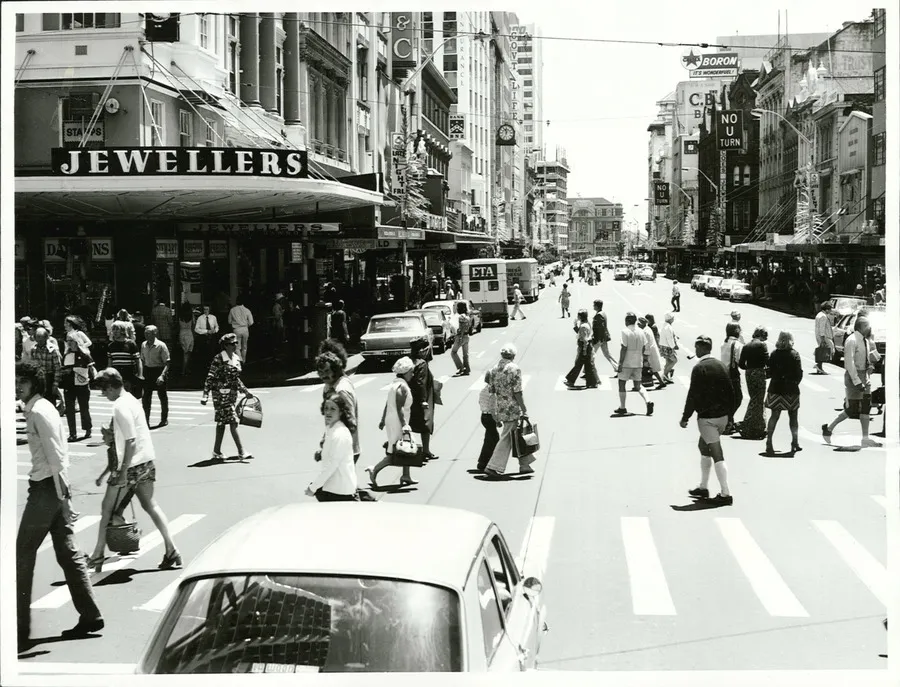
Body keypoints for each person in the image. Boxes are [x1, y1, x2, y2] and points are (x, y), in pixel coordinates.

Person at [16, 362, 104, 652]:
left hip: (46, 491)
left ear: (35, 383)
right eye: (15, 381)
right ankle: (90, 615)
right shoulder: (38, 408)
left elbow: (56, 459)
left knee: (22, 553)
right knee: (68, 554)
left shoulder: (40, 411)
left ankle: (19, 627)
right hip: (50, 490)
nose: (18, 386)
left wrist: (64, 500)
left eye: (23, 381)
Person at [89, 368, 182, 572]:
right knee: (150, 505)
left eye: (104, 390)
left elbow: (130, 441)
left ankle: (97, 554)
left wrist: (122, 471)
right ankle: (171, 548)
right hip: (147, 460)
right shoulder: (131, 400)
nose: (103, 395)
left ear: (113, 386)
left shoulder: (120, 407)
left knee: (107, 508)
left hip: (130, 465)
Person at [680, 335, 735, 506]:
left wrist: (685, 417)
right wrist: (730, 417)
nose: (695, 350)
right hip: (723, 417)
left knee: (717, 454)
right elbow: (732, 393)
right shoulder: (721, 365)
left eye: (697, 347)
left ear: (702, 348)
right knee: (703, 446)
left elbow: (693, 395)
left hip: (707, 419)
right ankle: (703, 487)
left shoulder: (699, 368)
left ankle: (726, 494)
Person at [822, 316, 883, 449]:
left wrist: (870, 367)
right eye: (868, 326)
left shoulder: (865, 341)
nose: (870, 329)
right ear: (861, 327)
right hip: (853, 376)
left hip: (864, 376)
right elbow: (849, 363)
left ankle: (865, 438)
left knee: (866, 407)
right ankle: (829, 428)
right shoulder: (851, 340)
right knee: (852, 409)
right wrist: (857, 381)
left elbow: (866, 358)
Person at [484, 343, 536, 478]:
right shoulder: (514, 368)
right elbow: (517, 391)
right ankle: (493, 466)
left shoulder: (494, 369)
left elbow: (491, 391)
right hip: (512, 407)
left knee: (516, 435)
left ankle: (524, 465)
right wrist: (524, 409)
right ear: (513, 355)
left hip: (500, 406)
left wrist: (494, 411)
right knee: (508, 437)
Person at [201, 333, 255, 461]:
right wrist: (205, 395)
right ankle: (241, 451)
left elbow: (235, 378)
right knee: (233, 420)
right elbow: (210, 377)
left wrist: (245, 391)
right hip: (220, 394)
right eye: (232, 344)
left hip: (231, 394)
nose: (235, 345)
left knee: (221, 422)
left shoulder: (236, 358)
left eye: (236, 343)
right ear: (225, 346)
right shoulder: (219, 358)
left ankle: (216, 451)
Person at [366, 357, 417, 488]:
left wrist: (383, 419)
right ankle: (375, 469)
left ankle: (406, 475)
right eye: (411, 371)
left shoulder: (395, 385)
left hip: (393, 419)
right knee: (397, 449)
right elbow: (399, 407)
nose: (413, 374)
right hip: (398, 422)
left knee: (405, 446)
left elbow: (388, 404)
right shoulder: (402, 387)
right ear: (405, 372)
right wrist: (405, 424)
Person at [305, 392, 358, 502]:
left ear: (341, 412)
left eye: (333, 409)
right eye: (326, 408)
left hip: (340, 491)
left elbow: (332, 465)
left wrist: (313, 487)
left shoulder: (340, 433)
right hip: (332, 487)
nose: (328, 412)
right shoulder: (331, 428)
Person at [316, 339, 359, 464]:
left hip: (345, 448)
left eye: (327, 371)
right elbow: (330, 418)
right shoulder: (329, 386)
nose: (324, 376)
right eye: (321, 372)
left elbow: (351, 421)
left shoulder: (341, 390)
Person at [764, 331, 803, 454]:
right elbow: (799, 373)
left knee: (774, 416)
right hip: (791, 389)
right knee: (793, 416)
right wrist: (795, 382)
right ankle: (794, 442)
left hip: (775, 388)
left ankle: (769, 442)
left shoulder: (774, 354)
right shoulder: (795, 354)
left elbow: (769, 371)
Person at [61, 332, 96, 442]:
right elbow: (63, 369)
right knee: (70, 410)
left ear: (77, 342)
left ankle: (87, 428)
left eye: (71, 341)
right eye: (68, 341)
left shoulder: (85, 354)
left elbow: (91, 369)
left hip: (82, 385)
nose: (69, 343)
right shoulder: (66, 355)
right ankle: (72, 433)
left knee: (84, 408)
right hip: (69, 385)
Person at [615, 313, 653, 416]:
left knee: (622, 383)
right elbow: (645, 346)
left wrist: (620, 363)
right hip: (638, 362)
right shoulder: (641, 332)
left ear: (626, 321)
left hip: (627, 362)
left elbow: (624, 348)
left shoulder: (625, 331)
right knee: (638, 385)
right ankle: (648, 401)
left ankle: (622, 407)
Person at [409, 338, 439, 461]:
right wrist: (423, 400)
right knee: (425, 424)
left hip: (410, 397)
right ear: (421, 351)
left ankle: (413, 448)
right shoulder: (421, 364)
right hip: (422, 398)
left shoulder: (410, 361)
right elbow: (421, 383)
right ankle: (425, 450)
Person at [738, 326, 769, 441]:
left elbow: (741, 363)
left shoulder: (746, 345)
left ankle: (758, 425)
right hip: (759, 372)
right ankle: (749, 425)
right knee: (758, 399)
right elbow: (767, 360)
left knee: (754, 398)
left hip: (749, 373)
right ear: (762, 335)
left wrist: (749, 368)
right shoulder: (762, 345)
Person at [140, 325, 170, 428]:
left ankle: (164, 419)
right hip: (148, 371)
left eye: (148, 333)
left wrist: (162, 376)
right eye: (145, 333)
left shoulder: (161, 345)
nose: (146, 335)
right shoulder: (143, 345)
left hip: (159, 370)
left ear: (154, 334)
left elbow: (167, 363)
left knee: (162, 396)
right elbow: (142, 360)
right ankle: (146, 421)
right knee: (146, 398)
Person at [30, 327, 64, 412]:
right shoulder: (33, 349)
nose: (40, 341)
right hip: (38, 379)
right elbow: (32, 366)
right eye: (37, 338)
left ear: (46, 338)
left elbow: (58, 368)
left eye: (42, 339)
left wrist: (55, 384)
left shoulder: (53, 350)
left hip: (49, 379)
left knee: (50, 404)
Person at [107, 321, 143, 399]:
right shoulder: (111, 346)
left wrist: (140, 375)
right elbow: (110, 362)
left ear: (123, 331)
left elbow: (138, 360)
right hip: (117, 377)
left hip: (129, 376)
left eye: (117, 329)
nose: (115, 332)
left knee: (128, 398)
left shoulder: (131, 344)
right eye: (113, 330)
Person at [565, 309, 599, 388]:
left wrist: (584, 350)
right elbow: (580, 333)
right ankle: (593, 382)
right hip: (587, 346)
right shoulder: (586, 323)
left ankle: (570, 381)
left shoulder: (583, 326)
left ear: (580, 317)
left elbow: (584, 340)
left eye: (578, 316)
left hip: (585, 347)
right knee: (588, 365)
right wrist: (575, 325)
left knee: (578, 364)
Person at [721, 323, 744, 434]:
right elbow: (739, 361)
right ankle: (728, 420)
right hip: (733, 374)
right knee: (738, 398)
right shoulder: (737, 344)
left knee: (729, 399)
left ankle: (728, 421)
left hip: (723, 372)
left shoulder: (725, 342)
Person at [476, 368, 499, 473]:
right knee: (494, 440)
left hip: (484, 416)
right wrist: (497, 420)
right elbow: (493, 408)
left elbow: (480, 402)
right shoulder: (492, 392)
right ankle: (487, 463)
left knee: (488, 439)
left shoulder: (484, 389)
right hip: (490, 417)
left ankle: (482, 462)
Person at [591, 299, 618, 375]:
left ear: (597, 306)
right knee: (607, 354)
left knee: (591, 354)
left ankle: (589, 370)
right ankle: (618, 368)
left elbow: (600, 328)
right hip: (603, 338)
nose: (593, 306)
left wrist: (597, 339)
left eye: (594, 305)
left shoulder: (599, 315)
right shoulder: (603, 313)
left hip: (599, 338)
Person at [639, 316, 667, 390]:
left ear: (642, 324)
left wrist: (645, 355)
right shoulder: (647, 329)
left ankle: (638, 385)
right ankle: (661, 382)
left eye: (639, 324)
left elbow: (646, 344)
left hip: (649, 353)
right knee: (653, 369)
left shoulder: (645, 332)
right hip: (651, 352)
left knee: (643, 368)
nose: (638, 325)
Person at [228, 296, 254, 363]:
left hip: (236, 329)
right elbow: (251, 322)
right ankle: (244, 360)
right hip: (245, 329)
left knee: (237, 347)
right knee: (244, 346)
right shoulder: (247, 310)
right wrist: (246, 324)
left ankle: (240, 360)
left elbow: (229, 321)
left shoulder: (232, 310)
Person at [813, 301, 835, 374]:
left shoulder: (819, 314)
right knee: (828, 350)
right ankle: (819, 366)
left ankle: (819, 367)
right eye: (830, 309)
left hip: (821, 336)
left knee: (822, 351)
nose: (831, 310)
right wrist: (823, 339)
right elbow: (822, 328)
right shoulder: (823, 316)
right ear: (827, 309)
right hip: (824, 336)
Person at [451, 301, 471, 376]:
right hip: (467, 336)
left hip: (461, 336)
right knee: (465, 354)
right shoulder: (468, 316)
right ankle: (467, 369)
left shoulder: (461, 317)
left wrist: (460, 336)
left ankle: (461, 367)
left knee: (453, 352)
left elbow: (462, 328)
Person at [658, 313, 679, 383]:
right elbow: (669, 339)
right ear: (670, 319)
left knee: (668, 361)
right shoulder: (669, 327)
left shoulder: (665, 326)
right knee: (674, 360)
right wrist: (674, 346)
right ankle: (664, 375)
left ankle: (665, 376)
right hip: (668, 347)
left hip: (663, 346)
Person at [177, 302, 196, 375]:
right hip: (189, 334)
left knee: (184, 352)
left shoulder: (180, 316)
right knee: (188, 353)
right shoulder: (191, 316)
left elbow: (178, 327)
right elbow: (193, 327)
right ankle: (184, 370)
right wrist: (194, 336)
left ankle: (185, 369)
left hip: (182, 333)